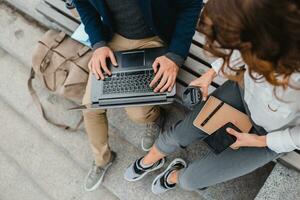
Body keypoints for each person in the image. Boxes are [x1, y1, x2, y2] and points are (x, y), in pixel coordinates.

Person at [124, 0, 300, 194]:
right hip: (241, 92)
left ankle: (174, 175)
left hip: (271, 135)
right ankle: (151, 159)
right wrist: (209, 75)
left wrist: (260, 141)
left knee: (190, 181)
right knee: (177, 135)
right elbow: (241, 50)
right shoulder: (269, 23)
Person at [73, 0, 202, 191]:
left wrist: (175, 55)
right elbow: (84, 6)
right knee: (91, 106)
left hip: (155, 37)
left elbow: (191, 5)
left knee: (138, 114)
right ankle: (102, 159)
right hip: (115, 39)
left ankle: (156, 117)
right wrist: (99, 44)